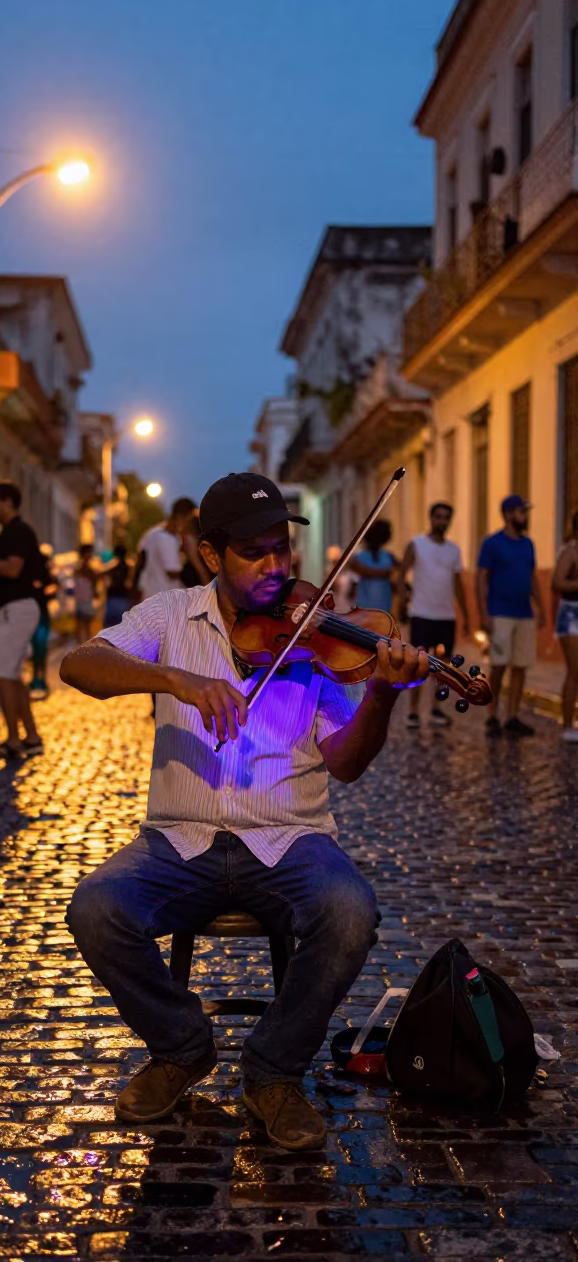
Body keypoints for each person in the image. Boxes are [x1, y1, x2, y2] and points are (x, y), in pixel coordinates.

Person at [61, 471, 430, 1152]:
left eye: (282, 550)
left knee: (350, 911)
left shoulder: (317, 634)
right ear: (210, 556)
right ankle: (181, 1046)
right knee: (94, 907)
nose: (276, 567)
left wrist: (381, 695)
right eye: (254, 552)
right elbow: (79, 665)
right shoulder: (169, 616)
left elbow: (346, 762)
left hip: (291, 839)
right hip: (180, 839)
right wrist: (175, 677)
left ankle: (273, 1071)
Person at [477, 495, 546, 738]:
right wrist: (484, 613)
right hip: (500, 613)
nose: (525, 516)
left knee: (520, 666)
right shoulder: (492, 543)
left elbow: (533, 577)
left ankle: (512, 716)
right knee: (498, 667)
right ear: (508, 514)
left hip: (524, 613)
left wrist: (541, 608)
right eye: (521, 511)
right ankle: (492, 715)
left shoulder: (528, 544)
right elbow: (481, 578)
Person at [0, 482, 44, 760]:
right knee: (13, 675)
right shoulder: (13, 532)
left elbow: (12, 568)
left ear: (8, 502)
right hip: (15, 608)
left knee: (1, 673)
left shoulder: (18, 532)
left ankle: (12, 739)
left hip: (14, 608)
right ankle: (30, 736)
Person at [399, 502, 470, 729]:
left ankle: (436, 709)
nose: (442, 521)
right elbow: (402, 574)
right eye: (438, 516)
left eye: (446, 517)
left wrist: (466, 616)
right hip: (421, 613)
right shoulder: (417, 545)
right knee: (417, 663)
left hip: (445, 616)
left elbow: (459, 585)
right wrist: (402, 600)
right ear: (431, 518)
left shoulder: (454, 550)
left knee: (443, 666)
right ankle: (412, 711)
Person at [552, 510, 578, 743]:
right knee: (574, 669)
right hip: (571, 615)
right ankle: (568, 723)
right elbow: (557, 581)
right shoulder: (570, 551)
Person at [138, 497, 197, 601]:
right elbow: (173, 571)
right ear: (181, 517)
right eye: (190, 520)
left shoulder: (154, 533)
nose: (191, 525)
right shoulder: (166, 538)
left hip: (152, 597)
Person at [29, 545, 58, 698]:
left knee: (38, 648)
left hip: (37, 614)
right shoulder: (41, 574)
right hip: (38, 614)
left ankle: (37, 679)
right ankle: (38, 679)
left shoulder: (34, 574)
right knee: (39, 648)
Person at [350, 520, 396, 614]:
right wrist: (386, 572)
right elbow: (366, 572)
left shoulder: (387, 556)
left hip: (378, 605)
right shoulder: (388, 557)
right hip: (370, 605)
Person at [100, 545, 134, 628]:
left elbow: (101, 574)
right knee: (122, 626)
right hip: (124, 596)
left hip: (114, 596)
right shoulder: (129, 568)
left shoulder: (114, 568)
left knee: (110, 626)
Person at [74, 544, 99, 645]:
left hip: (83, 601)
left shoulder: (79, 570)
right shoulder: (87, 571)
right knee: (84, 626)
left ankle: (83, 649)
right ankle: (85, 649)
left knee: (83, 626)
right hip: (83, 601)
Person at [180, 514, 213, 587]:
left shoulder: (191, 540)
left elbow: (198, 565)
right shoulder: (204, 540)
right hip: (200, 577)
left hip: (196, 577)